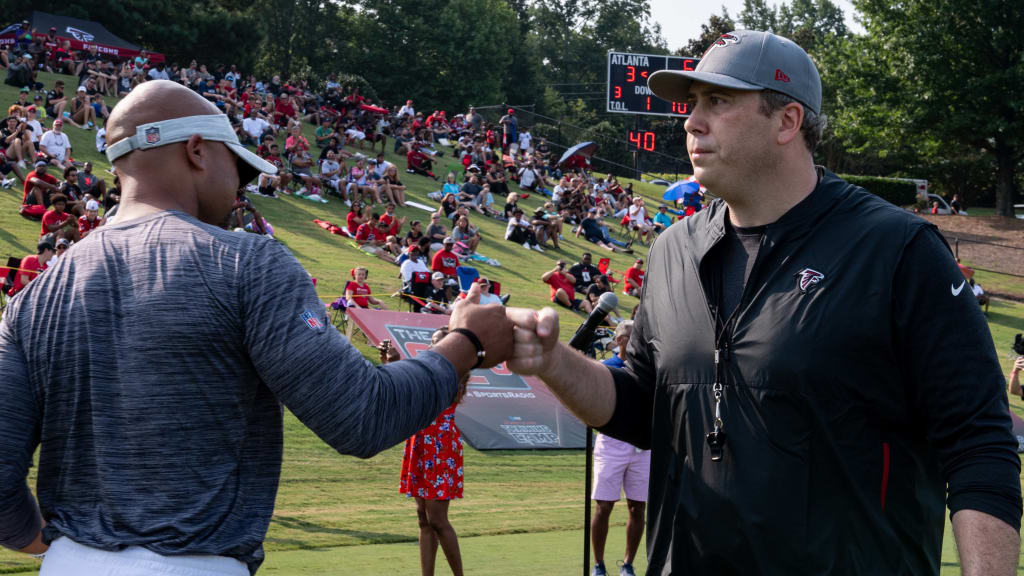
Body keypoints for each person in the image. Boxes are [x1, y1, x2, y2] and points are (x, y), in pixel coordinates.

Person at [505, 30, 1021, 575]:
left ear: (787, 121)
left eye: (718, 101)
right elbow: (643, 408)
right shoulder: (671, 251)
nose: (691, 122)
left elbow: (979, 443)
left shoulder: (896, 251)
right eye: (692, 103)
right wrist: (554, 363)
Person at [0, 80, 515, 573]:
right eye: (239, 171)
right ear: (197, 151)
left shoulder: (33, 297)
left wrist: (60, 545)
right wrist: (464, 341)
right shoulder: (246, 261)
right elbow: (363, 415)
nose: (242, 191)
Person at [400, 326, 469, 576]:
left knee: (438, 520)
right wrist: (390, 365)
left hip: (440, 446)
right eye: (432, 342)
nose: (434, 347)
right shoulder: (425, 370)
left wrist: (400, 368)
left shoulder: (456, 374)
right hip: (420, 442)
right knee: (423, 518)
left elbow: (432, 391)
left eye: (440, 342)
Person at [591, 320, 649, 576]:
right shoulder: (606, 368)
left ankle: (627, 565)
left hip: (642, 446)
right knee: (604, 506)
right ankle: (599, 565)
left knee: (638, 508)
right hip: (611, 444)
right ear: (622, 340)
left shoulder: (649, 369)